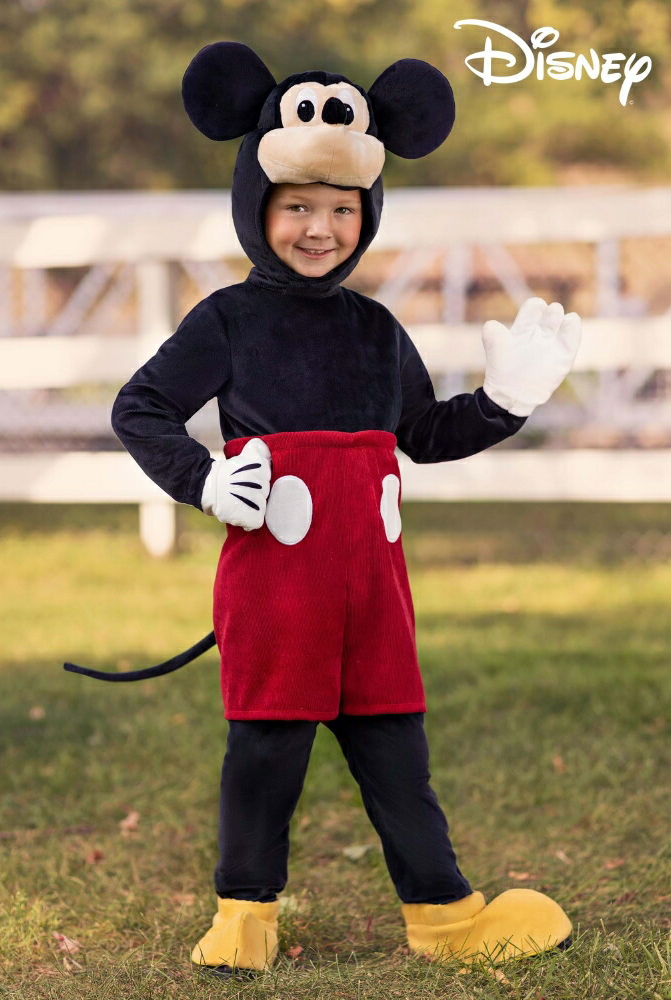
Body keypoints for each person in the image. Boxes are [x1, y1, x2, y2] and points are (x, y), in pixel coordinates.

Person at [110, 42, 581, 978]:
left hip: (374, 593)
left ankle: (445, 916)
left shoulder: (376, 328)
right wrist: (204, 481)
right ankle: (243, 917)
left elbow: (424, 432)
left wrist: (506, 402)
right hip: (276, 589)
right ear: (258, 206)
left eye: (339, 210)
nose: (318, 229)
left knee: (398, 755)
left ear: (364, 216)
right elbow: (141, 408)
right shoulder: (229, 321)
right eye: (297, 208)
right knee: (266, 756)